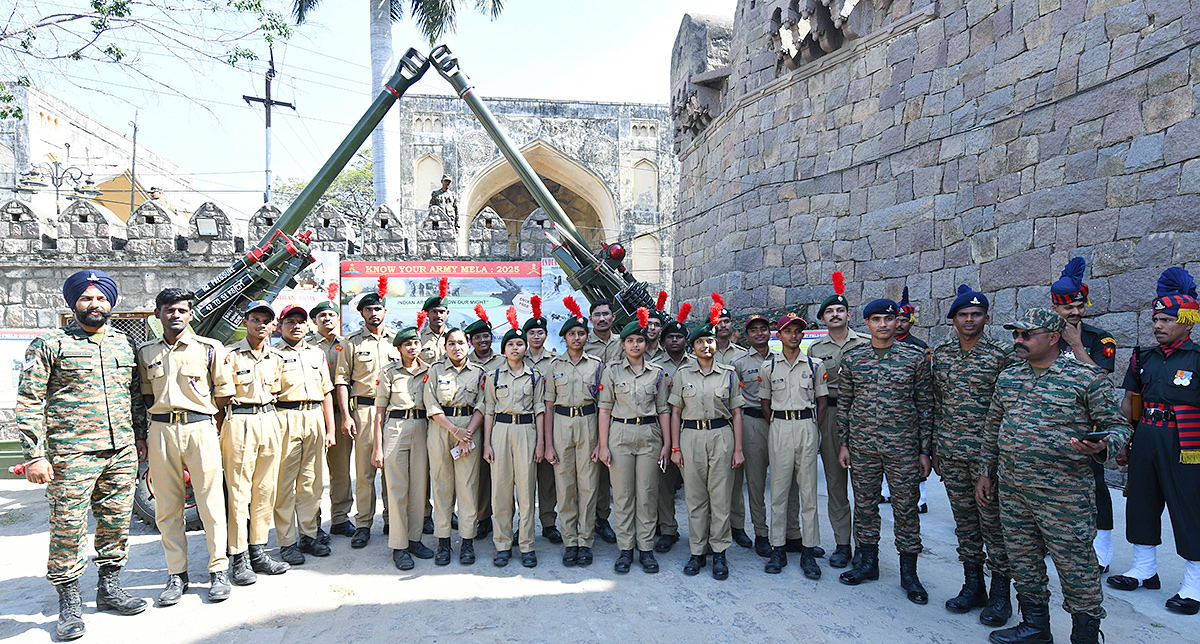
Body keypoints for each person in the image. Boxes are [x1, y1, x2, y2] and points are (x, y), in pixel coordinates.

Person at [980, 308, 1131, 644]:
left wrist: (1103, 446)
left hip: (1064, 496)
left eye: (1026, 334)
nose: (1018, 340)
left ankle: (1085, 635)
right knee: (1023, 560)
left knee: (1076, 567)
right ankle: (1035, 626)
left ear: (1052, 337)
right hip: (1014, 490)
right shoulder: (1009, 377)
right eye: (1015, 334)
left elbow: (1119, 425)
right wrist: (985, 474)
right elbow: (993, 429)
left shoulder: (1085, 378)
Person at [16, 270, 148, 640]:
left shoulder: (123, 344)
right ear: (74, 302)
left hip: (120, 451)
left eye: (101, 298)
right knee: (68, 528)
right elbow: (28, 401)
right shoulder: (50, 343)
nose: (95, 305)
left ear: (111, 303)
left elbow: (134, 397)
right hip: (70, 455)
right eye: (87, 298)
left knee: (116, 522)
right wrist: (35, 455)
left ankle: (109, 589)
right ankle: (69, 604)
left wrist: (139, 439)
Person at [1108, 267, 1200, 616]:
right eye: (1155, 319)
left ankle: (1194, 584)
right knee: (1141, 502)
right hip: (1146, 434)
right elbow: (1131, 400)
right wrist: (1126, 440)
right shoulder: (1142, 357)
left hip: (1186, 443)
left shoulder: (1197, 359)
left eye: (1166, 319)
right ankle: (1144, 569)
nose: (1158, 325)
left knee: (1188, 507)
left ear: (1188, 321)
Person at [138, 288, 234, 605]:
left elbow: (222, 394)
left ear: (190, 314)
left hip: (200, 427)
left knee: (210, 503)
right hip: (162, 429)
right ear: (158, 314)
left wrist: (207, 423)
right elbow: (147, 395)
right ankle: (176, 574)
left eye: (181, 310)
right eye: (168, 310)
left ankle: (218, 569)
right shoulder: (146, 353)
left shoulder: (210, 348)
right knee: (167, 507)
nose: (175, 315)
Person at [837, 298, 933, 605]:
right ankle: (868, 563)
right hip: (863, 447)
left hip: (903, 448)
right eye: (876, 319)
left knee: (906, 509)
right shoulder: (854, 360)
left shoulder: (914, 358)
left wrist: (924, 451)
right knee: (865, 506)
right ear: (866, 324)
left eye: (888, 319)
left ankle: (909, 573)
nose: (883, 325)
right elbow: (845, 404)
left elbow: (925, 405)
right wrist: (844, 443)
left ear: (897, 322)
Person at [932, 286, 1015, 625]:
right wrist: (936, 446)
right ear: (953, 320)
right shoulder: (942, 353)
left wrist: (993, 462)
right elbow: (938, 403)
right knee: (965, 526)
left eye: (976, 314)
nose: (970, 319)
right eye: (963, 315)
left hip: (988, 457)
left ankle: (1000, 596)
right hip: (951, 452)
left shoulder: (1002, 355)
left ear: (986, 318)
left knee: (993, 527)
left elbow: (1009, 409)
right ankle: (973, 586)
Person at [1050, 257, 1119, 573]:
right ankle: (1056, 540)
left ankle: (1102, 549)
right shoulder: (1043, 336)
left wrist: (1076, 345)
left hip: (1086, 427)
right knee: (1053, 484)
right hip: (1050, 425)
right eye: (1068, 308)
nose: (1075, 312)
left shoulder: (1099, 340)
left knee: (1094, 485)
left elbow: (1101, 382)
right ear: (1055, 308)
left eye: (1079, 306)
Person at [669, 305, 746, 580]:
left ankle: (720, 551)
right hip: (690, 437)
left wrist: (738, 448)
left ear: (716, 343)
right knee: (695, 497)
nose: (706, 346)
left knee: (721, 497)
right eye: (700, 342)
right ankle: (697, 551)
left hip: (721, 435)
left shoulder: (728, 373)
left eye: (710, 341)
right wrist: (675, 448)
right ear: (693, 347)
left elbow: (737, 412)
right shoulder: (683, 375)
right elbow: (675, 412)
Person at [597, 309, 671, 574]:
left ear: (645, 342)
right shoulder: (613, 371)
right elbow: (604, 409)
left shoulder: (658, 372)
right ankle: (625, 549)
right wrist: (603, 445)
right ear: (624, 343)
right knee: (624, 495)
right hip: (620, 435)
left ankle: (646, 549)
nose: (635, 344)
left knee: (647, 494)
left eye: (640, 340)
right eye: (630, 341)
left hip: (650, 435)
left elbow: (663, 409)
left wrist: (667, 444)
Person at [222, 301, 289, 585]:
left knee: (265, 489)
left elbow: (277, 390)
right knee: (239, 493)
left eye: (266, 321)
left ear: (272, 325)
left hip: (269, 419)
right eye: (255, 319)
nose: (261, 325)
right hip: (239, 420)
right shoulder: (230, 356)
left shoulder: (276, 358)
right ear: (245, 322)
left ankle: (258, 550)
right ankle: (238, 558)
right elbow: (220, 397)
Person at [760, 313, 828, 578]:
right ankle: (778, 547)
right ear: (779, 335)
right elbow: (765, 403)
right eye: (788, 331)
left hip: (806, 426)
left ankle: (808, 551)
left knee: (809, 493)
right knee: (778, 491)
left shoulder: (814, 365)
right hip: (779, 427)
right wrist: (779, 423)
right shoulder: (769, 367)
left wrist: (813, 428)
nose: (794, 335)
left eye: (798, 331)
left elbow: (822, 402)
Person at [542, 296, 605, 567]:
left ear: (586, 336)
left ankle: (585, 540)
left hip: (589, 423)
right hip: (561, 424)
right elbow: (547, 406)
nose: (577, 338)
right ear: (565, 338)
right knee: (565, 486)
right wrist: (548, 444)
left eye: (581, 333)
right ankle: (570, 541)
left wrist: (601, 442)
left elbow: (604, 406)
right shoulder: (553, 366)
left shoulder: (596, 365)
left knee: (588, 486)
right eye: (572, 334)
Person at [805, 271, 862, 569]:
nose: (835, 314)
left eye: (840, 310)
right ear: (823, 319)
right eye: (830, 312)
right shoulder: (815, 350)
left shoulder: (864, 343)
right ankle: (843, 544)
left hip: (863, 417)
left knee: (864, 486)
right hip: (830, 414)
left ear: (849, 314)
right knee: (835, 484)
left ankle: (866, 545)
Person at [482, 307, 546, 568]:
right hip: (501, 432)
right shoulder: (495, 376)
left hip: (526, 432)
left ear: (525, 347)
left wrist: (541, 442)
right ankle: (502, 544)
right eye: (511, 344)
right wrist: (486, 443)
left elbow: (540, 409)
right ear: (504, 349)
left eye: (520, 344)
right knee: (501, 491)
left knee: (527, 492)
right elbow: (488, 411)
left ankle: (527, 545)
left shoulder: (535, 376)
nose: (516, 348)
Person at [273, 305, 336, 566]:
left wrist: (331, 428)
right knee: (285, 484)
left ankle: (309, 535)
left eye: (300, 321)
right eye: (290, 321)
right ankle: (287, 542)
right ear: (280, 325)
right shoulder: (272, 354)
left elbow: (326, 392)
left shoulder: (317, 354)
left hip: (314, 417)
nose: (296, 325)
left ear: (307, 326)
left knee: (312, 482)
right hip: (284, 417)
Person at [335, 288, 398, 548]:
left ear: (385, 311)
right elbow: (341, 380)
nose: (374, 313)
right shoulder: (350, 342)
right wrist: (347, 416)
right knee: (364, 473)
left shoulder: (396, 340)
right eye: (368, 309)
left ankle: (392, 520)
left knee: (392, 471)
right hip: (364, 411)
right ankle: (363, 524)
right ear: (362, 313)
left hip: (393, 413)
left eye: (378, 309)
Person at [372, 324, 433, 570]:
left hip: (422, 428)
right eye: (407, 344)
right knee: (397, 488)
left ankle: (415, 539)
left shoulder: (429, 371)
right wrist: (378, 447)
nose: (412, 347)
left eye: (416, 343)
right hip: (396, 428)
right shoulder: (389, 372)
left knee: (419, 488)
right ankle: (399, 545)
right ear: (398, 348)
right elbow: (379, 413)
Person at [425, 327, 486, 565]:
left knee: (468, 486)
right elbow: (431, 405)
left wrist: (467, 433)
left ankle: (467, 541)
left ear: (468, 345)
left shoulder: (479, 373)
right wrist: (454, 430)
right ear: (445, 346)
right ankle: (443, 541)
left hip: (470, 430)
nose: (456, 347)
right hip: (442, 429)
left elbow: (483, 404)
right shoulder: (435, 370)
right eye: (451, 343)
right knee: (442, 486)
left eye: (461, 342)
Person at [731, 313, 785, 558]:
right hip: (753, 422)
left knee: (786, 483)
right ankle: (762, 534)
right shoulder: (739, 363)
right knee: (755, 483)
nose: (759, 333)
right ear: (747, 335)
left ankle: (787, 535)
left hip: (782, 423)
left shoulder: (783, 358)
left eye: (763, 329)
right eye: (754, 330)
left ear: (770, 332)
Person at [310, 301, 354, 540]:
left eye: (331, 314)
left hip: (340, 414)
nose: (327, 318)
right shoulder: (305, 345)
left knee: (341, 471)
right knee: (313, 472)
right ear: (314, 320)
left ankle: (340, 518)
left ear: (338, 318)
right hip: (313, 413)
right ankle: (312, 522)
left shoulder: (347, 345)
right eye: (321, 315)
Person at [885, 286, 929, 514]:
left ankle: (920, 499)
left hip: (908, 411)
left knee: (915, 463)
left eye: (904, 320)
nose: (900, 324)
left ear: (911, 322)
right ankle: (886, 492)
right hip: (886, 411)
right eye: (896, 319)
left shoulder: (919, 347)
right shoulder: (883, 345)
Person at [654, 305, 692, 554]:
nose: (675, 340)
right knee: (664, 485)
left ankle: (702, 533)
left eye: (679, 337)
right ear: (664, 340)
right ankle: (668, 529)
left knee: (697, 487)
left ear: (686, 340)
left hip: (693, 431)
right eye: (670, 337)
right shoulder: (655, 366)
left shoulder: (698, 361)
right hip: (663, 433)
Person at [523, 296, 561, 545]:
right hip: (522, 427)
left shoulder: (555, 361)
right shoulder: (514, 358)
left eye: (540, 332)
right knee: (523, 480)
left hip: (549, 426)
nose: (536, 336)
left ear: (546, 335)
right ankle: (522, 525)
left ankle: (548, 523)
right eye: (532, 332)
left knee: (548, 480)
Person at [584, 298, 620, 545]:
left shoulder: (625, 342)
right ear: (591, 319)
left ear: (613, 317)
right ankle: (588, 519)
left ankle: (604, 518)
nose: (602, 319)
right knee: (590, 469)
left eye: (606, 314)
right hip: (590, 413)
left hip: (619, 414)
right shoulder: (583, 344)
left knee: (610, 470)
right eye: (597, 315)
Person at [466, 306, 502, 537]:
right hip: (471, 425)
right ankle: (482, 517)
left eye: (485, 336)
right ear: (471, 341)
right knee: (477, 474)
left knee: (499, 475)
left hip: (499, 425)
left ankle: (502, 518)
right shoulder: (465, 362)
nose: (482, 340)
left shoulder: (502, 360)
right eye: (477, 337)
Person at [419, 278, 451, 364]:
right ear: (427, 314)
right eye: (434, 312)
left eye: (441, 312)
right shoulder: (419, 338)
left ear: (447, 313)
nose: (438, 315)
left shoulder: (454, 336)